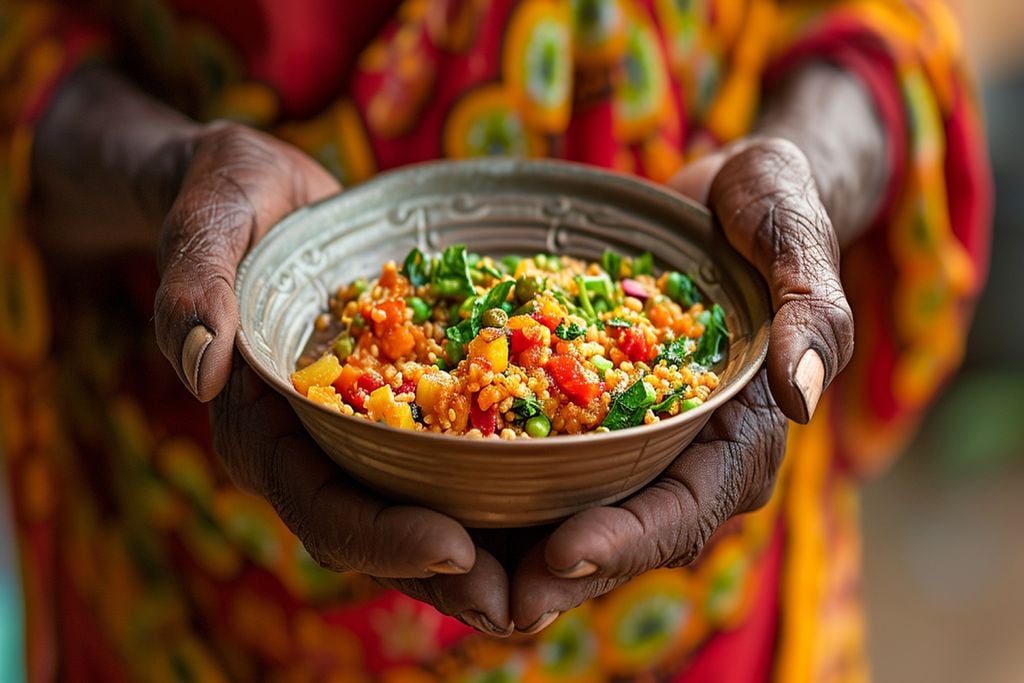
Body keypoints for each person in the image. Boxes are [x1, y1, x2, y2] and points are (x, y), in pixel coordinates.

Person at [0, 0, 990, 680]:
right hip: (204, 578)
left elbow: (870, 27)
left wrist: (802, 178)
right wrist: (167, 175)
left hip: (704, 607)